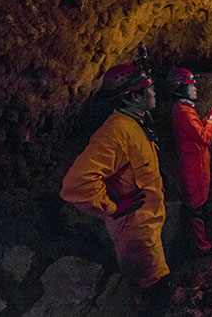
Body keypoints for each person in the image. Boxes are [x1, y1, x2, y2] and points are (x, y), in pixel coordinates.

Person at [60, 64, 171, 316]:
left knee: (147, 292)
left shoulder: (135, 124)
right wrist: (113, 206)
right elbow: (75, 184)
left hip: (147, 228)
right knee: (155, 296)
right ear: (134, 96)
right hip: (135, 232)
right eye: (149, 89)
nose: (154, 93)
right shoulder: (115, 133)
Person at [170, 67, 212, 256]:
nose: (195, 88)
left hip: (197, 163)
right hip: (193, 165)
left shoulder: (185, 109)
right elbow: (204, 137)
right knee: (195, 207)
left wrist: (208, 118)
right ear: (182, 89)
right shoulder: (183, 111)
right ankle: (200, 247)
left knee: (198, 205)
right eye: (191, 85)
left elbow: (197, 130)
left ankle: (199, 242)